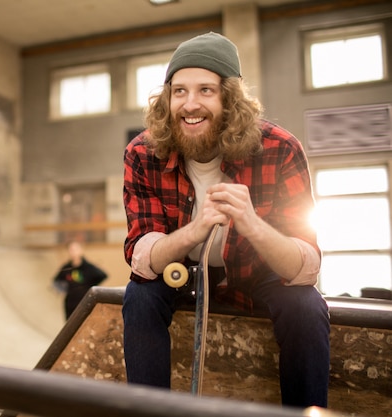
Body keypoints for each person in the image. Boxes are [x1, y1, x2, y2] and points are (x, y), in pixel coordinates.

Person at [122, 32, 330, 408]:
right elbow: (142, 259)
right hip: (180, 269)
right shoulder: (142, 154)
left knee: (305, 306)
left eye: (206, 90)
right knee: (139, 297)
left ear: (230, 99)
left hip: (258, 267)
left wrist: (251, 224)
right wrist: (194, 232)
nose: (190, 105)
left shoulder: (280, 148)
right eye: (179, 91)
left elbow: (306, 265)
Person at [53, 241, 108, 319]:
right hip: (71, 303)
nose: (74, 252)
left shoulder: (88, 267)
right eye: (71, 250)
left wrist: (90, 287)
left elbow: (102, 275)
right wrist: (64, 289)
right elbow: (56, 281)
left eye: (76, 249)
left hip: (84, 301)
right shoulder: (66, 267)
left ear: (81, 250)